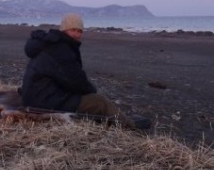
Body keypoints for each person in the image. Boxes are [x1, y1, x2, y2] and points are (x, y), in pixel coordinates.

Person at [19, 13, 150, 129]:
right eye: (73, 30)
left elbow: (64, 78)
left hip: (37, 96)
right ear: (64, 30)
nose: (77, 34)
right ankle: (129, 125)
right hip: (45, 101)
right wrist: (91, 92)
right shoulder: (60, 49)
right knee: (99, 102)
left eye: (80, 31)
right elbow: (75, 81)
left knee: (89, 99)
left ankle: (117, 119)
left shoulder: (49, 44)